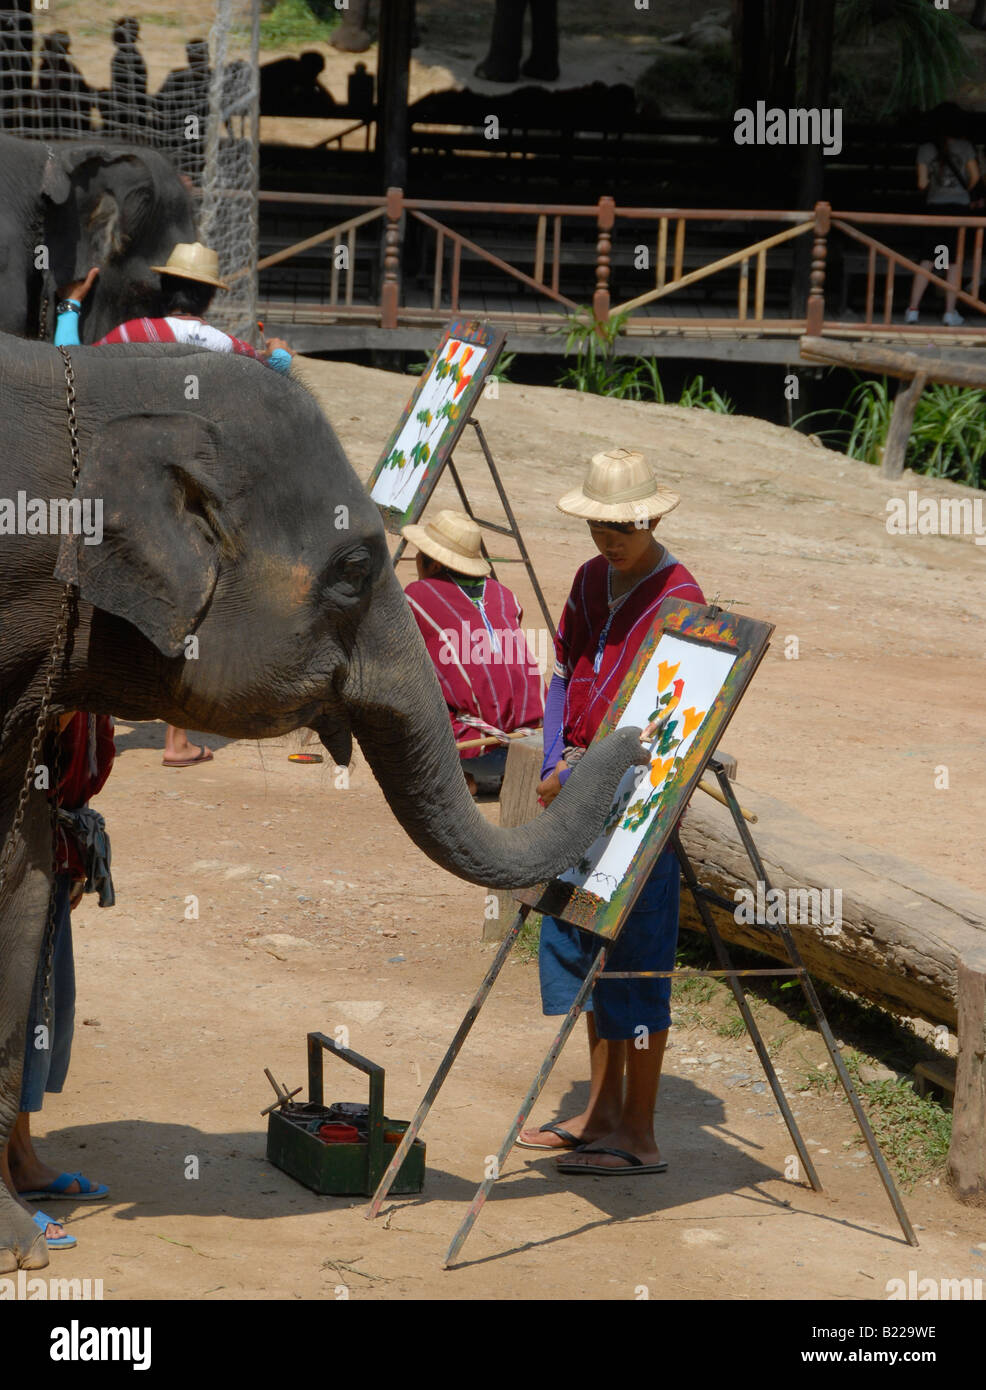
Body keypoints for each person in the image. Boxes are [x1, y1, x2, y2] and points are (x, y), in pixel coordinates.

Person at [516, 448, 703, 1174]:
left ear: (652, 518)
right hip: (580, 788)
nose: (608, 538)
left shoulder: (681, 597)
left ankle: (641, 1132)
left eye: (621, 525)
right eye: (598, 524)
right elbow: (563, 672)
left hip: (639, 807)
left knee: (637, 963)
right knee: (586, 942)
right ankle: (598, 1113)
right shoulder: (591, 579)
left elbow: (666, 723)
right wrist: (558, 757)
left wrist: (586, 777)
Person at [54, 242, 295, 768]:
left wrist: (70, 307)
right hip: (191, 489)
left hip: (123, 481)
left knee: (101, 594)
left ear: (164, 291)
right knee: (184, 601)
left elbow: (68, 362)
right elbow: (276, 373)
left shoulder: (129, 336)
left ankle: (77, 719)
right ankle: (176, 740)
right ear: (209, 298)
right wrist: (279, 350)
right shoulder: (228, 348)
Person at [0, 712, 115, 1251]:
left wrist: (71, 844)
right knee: (10, 1016)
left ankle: (20, 1160)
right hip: (12, 841)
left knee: (40, 1008)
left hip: (48, 840)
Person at [402, 509, 544, 796]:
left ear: (431, 562)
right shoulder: (505, 595)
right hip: (536, 745)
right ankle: (500, 778)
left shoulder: (416, 596)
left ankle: (466, 777)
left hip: (470, 747)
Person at [905, 103, 982, 327]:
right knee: (953, 261)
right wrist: (963, 193)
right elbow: (975, 177)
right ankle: (949, 313)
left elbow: (921, 184)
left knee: (929, 259)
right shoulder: (966, 146)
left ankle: (913, 310)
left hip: (935, 210)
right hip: (958, 211)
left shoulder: (925, 149)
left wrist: (935, 187)